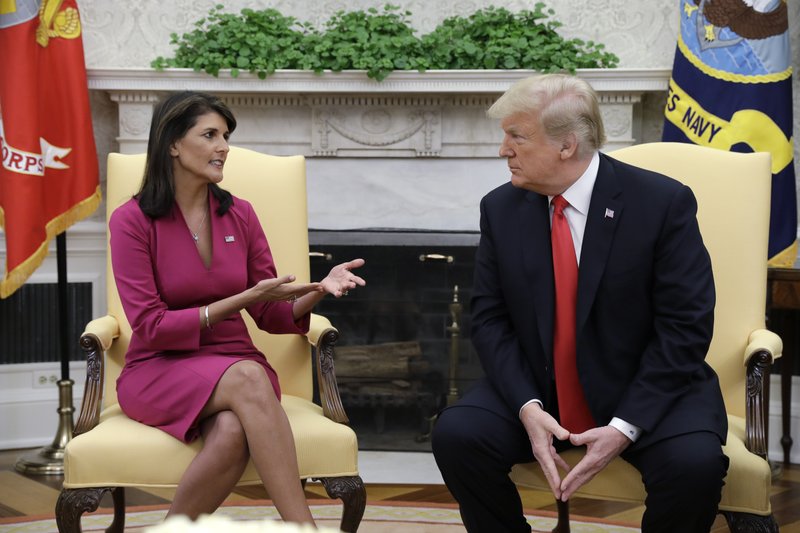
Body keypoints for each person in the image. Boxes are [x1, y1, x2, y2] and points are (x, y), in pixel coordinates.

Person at [431, 74, 728, 533]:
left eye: (517, 136)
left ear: (566, 146)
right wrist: (528, 407)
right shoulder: (501, 208)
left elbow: (685, 327)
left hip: (648, 390)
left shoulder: (661, 203)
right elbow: (489, 320)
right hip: (541, 386)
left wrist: (625, 425)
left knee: (695, 466)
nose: (503, 149)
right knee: (457, 436)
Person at [109, 91, 366, 526]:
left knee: (231, 431)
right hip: (158, 369)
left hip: (235, 363)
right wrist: (244, 298)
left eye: (225, 135)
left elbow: (272, 315)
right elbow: (150, 327)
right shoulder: (130, 221)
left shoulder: (241, 215)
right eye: (209, 135)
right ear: (172, 143)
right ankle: (303, 527)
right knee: (247, 379)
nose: (223, 146)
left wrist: (320, 288)